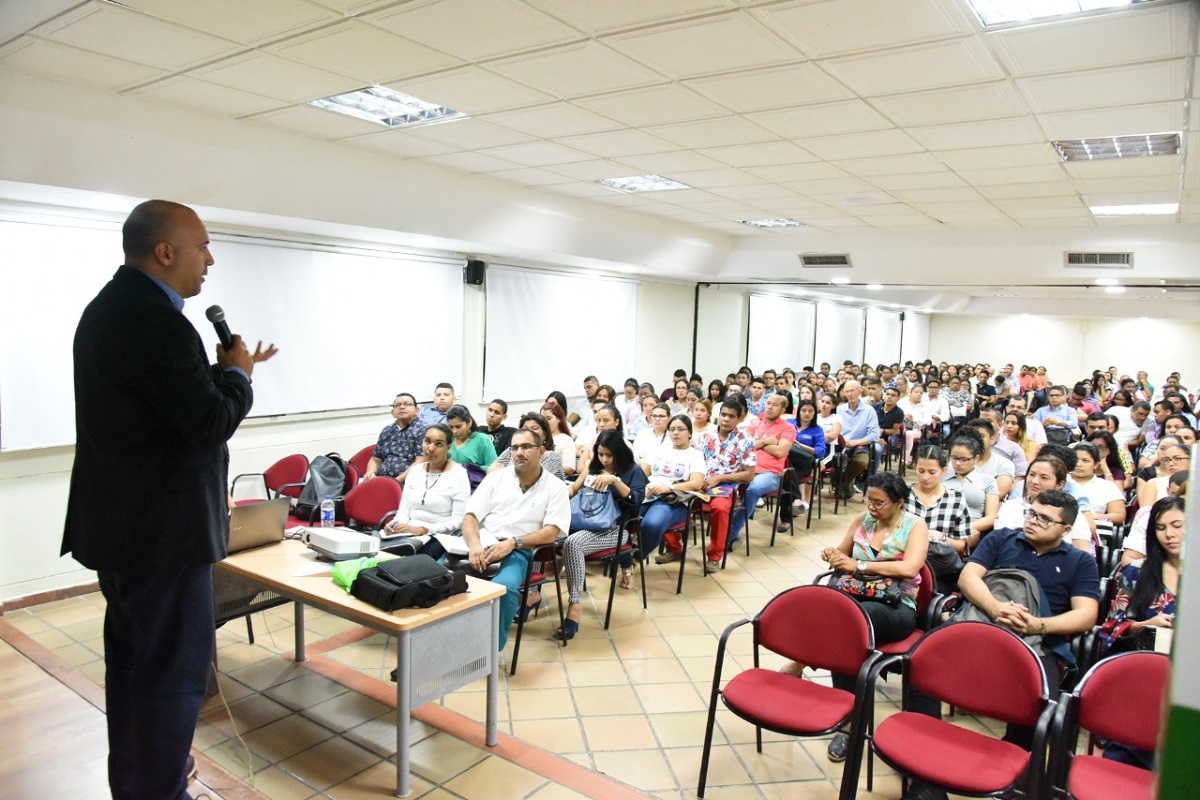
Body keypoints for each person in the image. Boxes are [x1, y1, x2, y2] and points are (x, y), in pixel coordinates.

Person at [62, 200, 269, 800]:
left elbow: (163, 407)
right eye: (202, 246)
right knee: (172, 681)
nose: (210, 259)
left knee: (134, 674)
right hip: (163, 540)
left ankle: (138, 787)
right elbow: (207, 422)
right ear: (165, 251)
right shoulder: (158, 322)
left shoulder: (109, 309)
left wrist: (221, 372)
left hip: (126, 532)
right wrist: (238, 376)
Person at [958, 489, 1100, 747]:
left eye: (1044, 519)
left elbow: (1086, 615)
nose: (1033, 521)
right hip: (985, 623)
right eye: (1031, 513)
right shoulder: (1002, 539)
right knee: (923, 661)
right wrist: (995, 607)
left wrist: (1038, 625)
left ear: (1066, 530)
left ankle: (1013, 758)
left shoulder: (1080, 561)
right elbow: (968, 577)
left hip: (1038, 641)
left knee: (1042, 706)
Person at [820, 473, 929, 763]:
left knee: (851, 623)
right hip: (858, 597)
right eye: (869, 500)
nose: (872, 507)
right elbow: (842, 554)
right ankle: (851, 718)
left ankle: (848, 722)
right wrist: (833, 554)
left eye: (879, 503)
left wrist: (860, 565)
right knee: (837, 618)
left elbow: (910, 568)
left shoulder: (915, 526)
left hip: (897, 606)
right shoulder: (863, 521)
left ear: (899, 502)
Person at [464, 428, 571, 652]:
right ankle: (439, 646)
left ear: (541, 451)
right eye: (514, 448)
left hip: (519, 550)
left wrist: (513, 542)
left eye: (526, 447)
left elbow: (551, 532)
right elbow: (470, 517)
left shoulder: (556, 487)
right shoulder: (495, 479)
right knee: (441, 577)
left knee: (503, 587)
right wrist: (474, 545)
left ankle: (488, 651)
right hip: (482, 544)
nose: (519, 452)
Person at [558, 430, 647, 638]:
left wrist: (614, 481)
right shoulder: (593, 467)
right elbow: (573, 490)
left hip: (616, 530)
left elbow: (636, 502)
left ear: (619, 453)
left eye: (609, 455)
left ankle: (574, 605)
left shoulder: (633, 471)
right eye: (600, 454)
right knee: (542, 532)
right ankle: (532, 594)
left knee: (573, 543)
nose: (604, 459)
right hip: (583, 523)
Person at [681, 401, 756, 570]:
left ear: (740, 419)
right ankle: (674, 548)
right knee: (671, 499)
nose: (726, 419)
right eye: (723, 415)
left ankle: (714, 556)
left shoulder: (746, 441)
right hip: (699, 481)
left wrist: (720, 478)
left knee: (720, 508)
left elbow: (749, 474)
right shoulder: (706, 437)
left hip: (725, 485)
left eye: (731, 416)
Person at [382, 423, 470, 560]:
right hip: (409, 532)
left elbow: (458, 520)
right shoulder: (415, 471)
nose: (431, 448)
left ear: (448, 446)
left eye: (438, 444)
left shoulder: (458, 474)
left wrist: (425, 530)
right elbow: (404, 511)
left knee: (409, 561)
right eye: (427, 441)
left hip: (439, 535)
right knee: (381, 554)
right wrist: (394, 524)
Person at [724, 394, 795, 548]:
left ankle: (728, 536)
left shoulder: (787, 428)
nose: (769, 407)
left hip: (770, 474)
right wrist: (767, 441)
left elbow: (780, 452)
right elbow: (743, 446)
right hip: (746, 469)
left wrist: (758, 442)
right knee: (722, 485)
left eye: (775, 405)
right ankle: (720, 531)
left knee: (753, 490)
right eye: (768, 403)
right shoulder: (755, 423)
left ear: (783, 409)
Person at [996, 454, 1094, 553]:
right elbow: (1000, 544)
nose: (1034, 481)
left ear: (1060, 484)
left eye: (1044, 477)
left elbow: (1083, 552)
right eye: (1032, 475)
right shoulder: (1010, 507)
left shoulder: (1070, 513)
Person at [906, 446, 973, 592]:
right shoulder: (904, 495)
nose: (925, 477)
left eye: (932, 472)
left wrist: (942, 537)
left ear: (944, 470)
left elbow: (960, 545)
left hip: (939, 566)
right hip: (904, 559)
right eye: (921, 471)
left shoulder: (955, 499)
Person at [642, 415, 707, 563]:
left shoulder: (695, 455)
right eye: (672, 429)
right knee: (626, 517)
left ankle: (635, 558)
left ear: (690, 433)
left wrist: (669, 488)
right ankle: (624, 555)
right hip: (649, 494)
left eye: (680, 429)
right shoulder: (659, 450)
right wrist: (644, 486)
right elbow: (642, 473)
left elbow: (696, 483)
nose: (675, 433)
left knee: (651, 524)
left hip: (673, 500)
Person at [941, 428, 1000, 539]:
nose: (958, 463)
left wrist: (964, 528)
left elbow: (991, 517)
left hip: (972, 530)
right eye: (954, 458)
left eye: (964, 459)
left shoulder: (987, 481)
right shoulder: (941, 477)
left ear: (976, 458)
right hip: (940, 526)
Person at [365, 393, 428, 483]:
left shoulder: (424, 429)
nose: (402, 407)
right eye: (398, 405)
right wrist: (370, 472)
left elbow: (421, 462)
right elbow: (376, 459)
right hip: (382, 478)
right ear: (392, 412)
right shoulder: (387, 430)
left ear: (416, 410)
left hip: (408, 482)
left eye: (407, 404)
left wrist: (395, 482)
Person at [1070, 442, 1126, 539]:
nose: (1078, 464)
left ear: (1095, 464)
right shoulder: (1060, 481)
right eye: (1075, 459)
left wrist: (1093, 516)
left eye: (1085, 461)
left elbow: (1119, 515)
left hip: (1093, 533)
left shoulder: (1107, 486)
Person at [835, 380, 880, 499]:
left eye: (852, 391)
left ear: (859, 391)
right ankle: (843, 482)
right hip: (841, 443)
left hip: (860, 443)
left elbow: (874, 434)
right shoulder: (839, 410)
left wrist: (856, 442)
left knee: (862, 461)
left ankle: (842, 481)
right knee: (831, 460)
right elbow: (833, 429)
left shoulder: (869, 410)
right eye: (847, 391)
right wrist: (843, 440)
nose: (850, 394)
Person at [489, 413, 566, 480]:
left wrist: (504, 472)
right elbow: (491, 472)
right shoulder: (511, 450)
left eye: (534, 428)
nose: (529, 432)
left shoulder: (551, 456)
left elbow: (540, 481)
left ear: (545, 434)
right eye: (525, 429)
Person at [783, 399, 826, 514]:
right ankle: (796, 502)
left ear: (814, 413)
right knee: (788, 471)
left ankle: (794, 505)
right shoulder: (789, 423)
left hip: (805, 462)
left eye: (810, 411)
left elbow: (820, 451)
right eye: (804, 410)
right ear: (799, 411)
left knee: (788, 472)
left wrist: (800, 445)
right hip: (786, 459)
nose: (807, 413)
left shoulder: (817, 430)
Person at [446, 404, 498, 469]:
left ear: (469, 423)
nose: (454, 431)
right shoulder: (448, 440)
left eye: (458, 427)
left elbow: (494, 467)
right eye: (451, 427)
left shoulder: (482, 440)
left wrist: (471, 469)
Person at [541, 400, 577, 475]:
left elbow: (570, 468)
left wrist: (546, 466)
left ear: (558, 419)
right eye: (542, 419)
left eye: (549, 418)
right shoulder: (538, 438)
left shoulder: (566, 439)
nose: (545, 422)